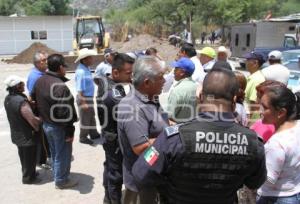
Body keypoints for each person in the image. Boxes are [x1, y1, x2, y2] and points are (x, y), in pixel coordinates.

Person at [132, 68, 267, 204]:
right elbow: (255, 182)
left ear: (201, 96)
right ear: (234, 100)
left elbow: (141, 174)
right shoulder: (253, 142)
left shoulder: (174, 138)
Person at [117, 56, 168, 204]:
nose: (165, 81)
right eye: (161, 77)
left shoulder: (151, 98)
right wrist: (172, 138)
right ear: (147, 82)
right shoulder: (133, 108)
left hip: (155, 176)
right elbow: (141, 147)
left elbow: (162, 120)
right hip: (142, 181)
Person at [33, 54, 78, 189]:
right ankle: (61, 180)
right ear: (60, 68)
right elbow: (65, 113)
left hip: (47, 125)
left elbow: (34, 100)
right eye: (64, 67)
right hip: (59, 127)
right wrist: (70, 132)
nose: (65, 69)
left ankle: (57, 175)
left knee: (55, 152)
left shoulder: (40, 81)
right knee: (63, 153)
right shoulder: (59, 86)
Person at [97, 53, 135, 204]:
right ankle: (114, 200)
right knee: (116, 174)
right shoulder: (111, 92)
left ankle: (108, 197)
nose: (131, 76)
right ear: (115, 72)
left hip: (110, 134)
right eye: (128, 73)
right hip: (113, 138)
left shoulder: (112, 85)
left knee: (110, 168)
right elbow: (127, 110)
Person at [257, 86, 300, 204]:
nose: (260, 111)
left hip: (274, 198)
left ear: (281, 112)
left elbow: (267, 179)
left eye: (265, 107)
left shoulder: (276, 144)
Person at [4, 75, 41, 184]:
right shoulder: (21, 101)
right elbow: (32, 119)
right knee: (29, 157)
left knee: (24, 156)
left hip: (17, 132)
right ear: (17, 87)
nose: (24, 85)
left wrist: (30, 104)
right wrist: (40, 122)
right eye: (21, 84)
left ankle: (29, 173)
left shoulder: (8, 98)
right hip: (27, 134)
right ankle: (29, 178)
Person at [27, 51, 51, 170]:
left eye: (45, 60)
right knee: (41, 137)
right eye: (43, 61)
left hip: (44, 109)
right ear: (37, 63)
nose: (45, 62)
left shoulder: (43, 73)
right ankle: (41, 161)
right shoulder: (34, 76)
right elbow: (32, 96)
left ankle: (45, 156)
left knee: (45, 136)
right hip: (39, 110)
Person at [75, 48, 100, 145]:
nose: (92, 60)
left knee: (91, 117)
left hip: (89, 97)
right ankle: (83, 137)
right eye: (90, 58)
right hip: (84, 98)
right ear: (84, 59)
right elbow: (79, 89)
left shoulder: (86, 68)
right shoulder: (81, 71)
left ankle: (93, 133)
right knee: (85, 119)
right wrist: (84, 102)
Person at [168, 57, 197, 123]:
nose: (173, 72)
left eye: (176, 69)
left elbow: (170, 116)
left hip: (179, 130)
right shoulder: (197, 87)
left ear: (182, 72)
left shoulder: (177, 90)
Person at [244, 51, 266, 122]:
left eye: (248, 60)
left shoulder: (257, 80)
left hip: (249, 120)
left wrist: (248, 124)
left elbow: (254, 105)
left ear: (255, 63)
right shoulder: (252, 77)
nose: (245, 62)